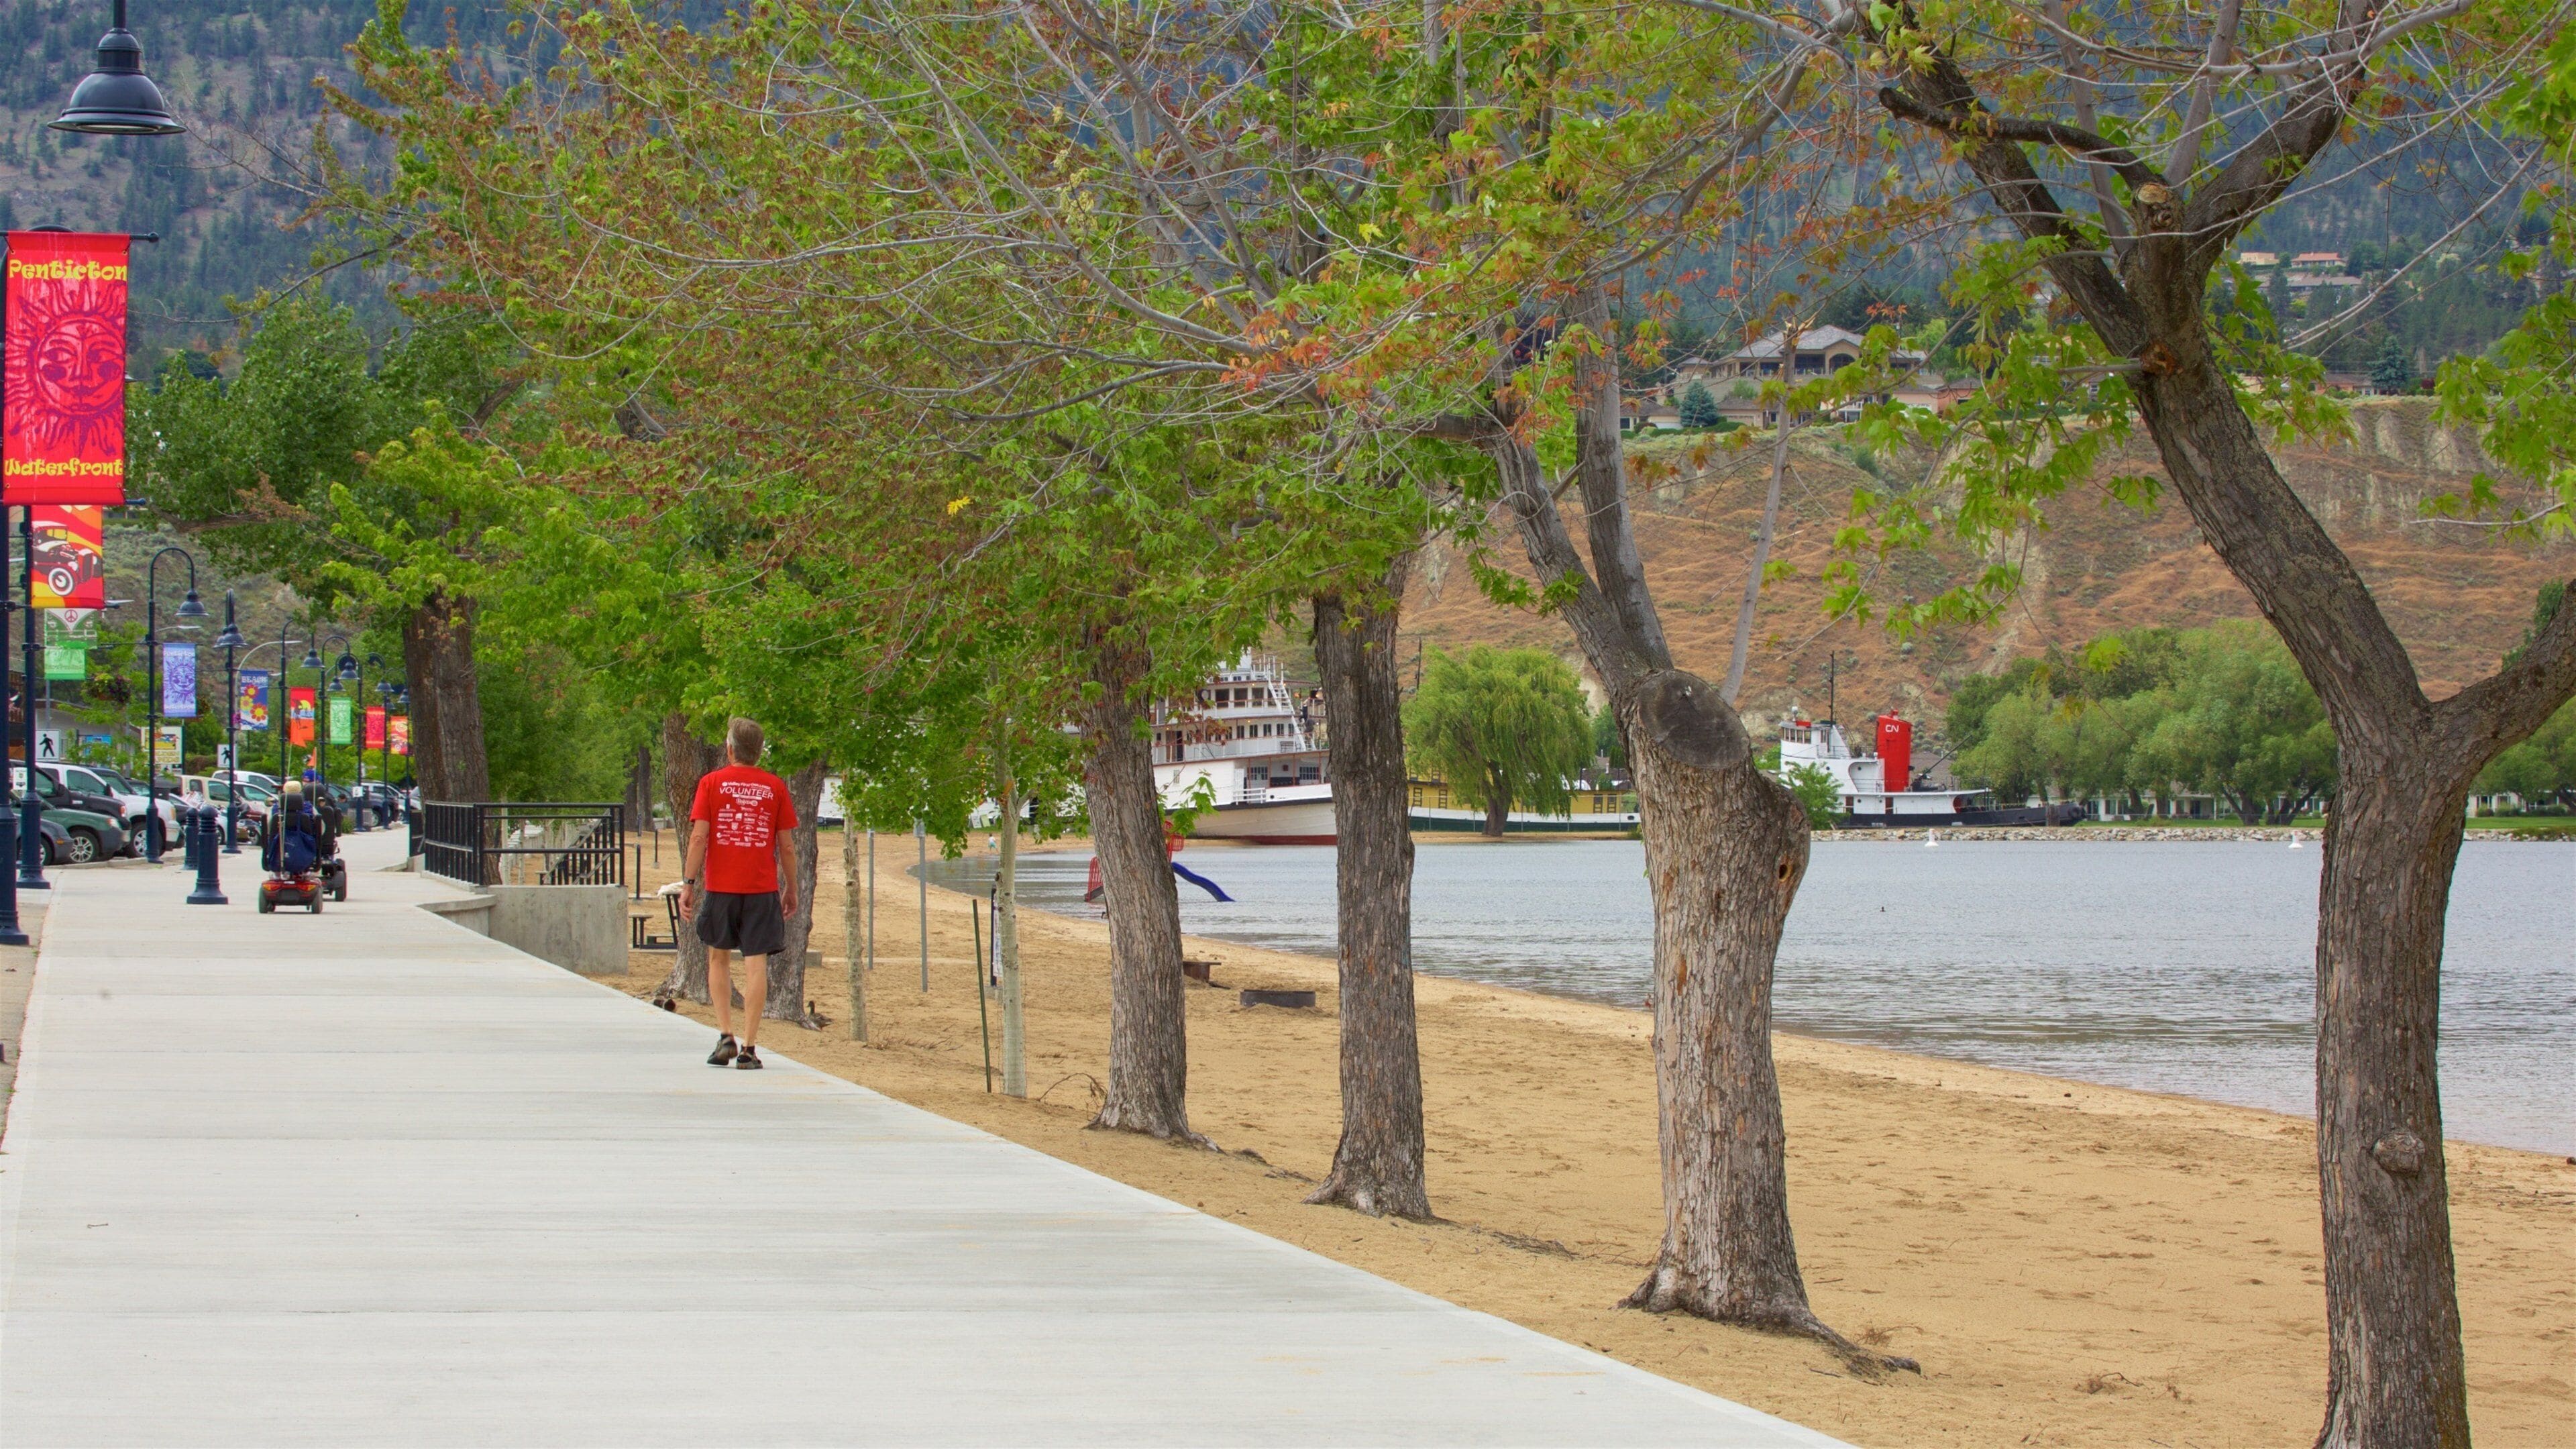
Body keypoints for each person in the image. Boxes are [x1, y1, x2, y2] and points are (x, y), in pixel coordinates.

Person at [680, 717, 800, 1070]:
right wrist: (791, 888)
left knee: (718, 957)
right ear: (759, 751)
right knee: (755, 964)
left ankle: (725, 1036)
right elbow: (788, 847)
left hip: (721, 887)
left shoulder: (711, 783)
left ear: (729, 748)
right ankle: (749, 1047)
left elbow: (699, 837)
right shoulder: (775, 786)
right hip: (762, 889)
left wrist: (688, 884)